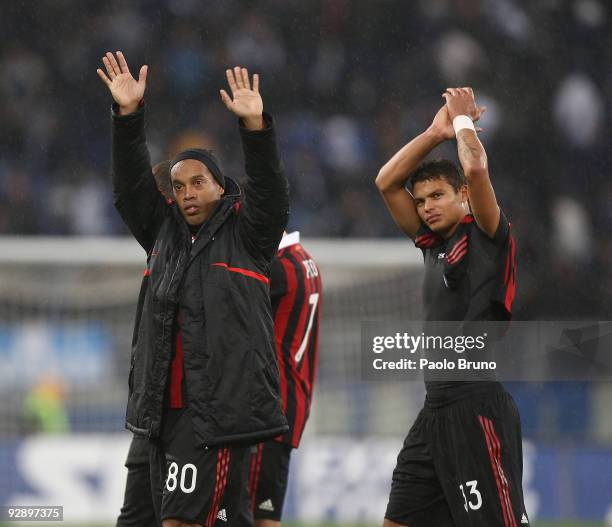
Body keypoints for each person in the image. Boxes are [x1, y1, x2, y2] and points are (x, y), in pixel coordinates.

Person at [97, 51, 289, 527]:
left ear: (221, 187)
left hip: (216, 415)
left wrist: (255, 128)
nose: (187, 193)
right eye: (179, 186)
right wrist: (127, 117)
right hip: (161, 414)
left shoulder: (247, 236)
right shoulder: (162, 236)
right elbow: (129, 191)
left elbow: (270, 191)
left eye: (198, 183)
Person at [375, 87, 527, 527]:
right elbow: (386, 182)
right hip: (435, 410)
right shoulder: (431, 245)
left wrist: (461, 123)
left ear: (462, 195)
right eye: (421, 201)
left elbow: (476, 167)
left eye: (437, 196)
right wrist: (432, 132)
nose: (426, 208)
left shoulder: (486, 234)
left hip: (476, 403)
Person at [249, 231, 322, 526]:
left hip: (269, 408)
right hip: (291, 401)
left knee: (248, 514)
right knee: (265, 513)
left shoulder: (277, 269)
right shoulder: (304, 259)